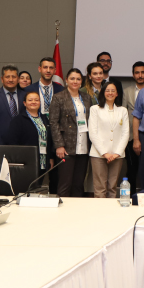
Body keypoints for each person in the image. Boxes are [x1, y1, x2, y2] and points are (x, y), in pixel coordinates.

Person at [49, 68, 92, 197]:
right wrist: (59, 145)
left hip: (83, 145)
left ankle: (76, 209)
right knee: (65, 183)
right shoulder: (58, 97)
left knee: (79, 183)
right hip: (66, 146)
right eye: (72, 78)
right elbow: (53, 122)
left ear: (81, 81)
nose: (75, 81)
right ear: (66, 80)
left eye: (78, 79)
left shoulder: (86, 97)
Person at [88, 82, 130, 198]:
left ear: (117, 94)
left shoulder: (122, 110)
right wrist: (104, 153)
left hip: (117, 155)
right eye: (107, 90)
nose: (110, 93)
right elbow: (93, 133)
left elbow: (125, 133)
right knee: (100, 188)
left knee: (112, 187)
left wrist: (117, 153)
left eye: (113, 91)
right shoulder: (95, 109)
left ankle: (112, 210)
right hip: (98, 154)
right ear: (103, 93)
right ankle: (100, 210)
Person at [8, 90, 53, 178]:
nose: (33, 102)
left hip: (43, 160)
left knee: (39, 183)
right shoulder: (18, 120)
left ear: (40, 102)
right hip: (26, 160)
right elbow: (13, 142)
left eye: (36, 100)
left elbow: (50, 139)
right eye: (30, 100)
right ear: (24, 103)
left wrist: (50, 157)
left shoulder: (45, 119)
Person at [122, 60, 144, 191]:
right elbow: (123, 113)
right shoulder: (127, 91)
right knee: (132, 169)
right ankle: (131, 197)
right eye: (137, 73)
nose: (140, 75)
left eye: (143, 72)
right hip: (131, 136)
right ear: (133, 75)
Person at [0, 65, 24, 146]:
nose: (11, 80)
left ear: (18, 79)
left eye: (14, 77)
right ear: (2, 79)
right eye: (7, 77)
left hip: (22, 142)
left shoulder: (25, 95)